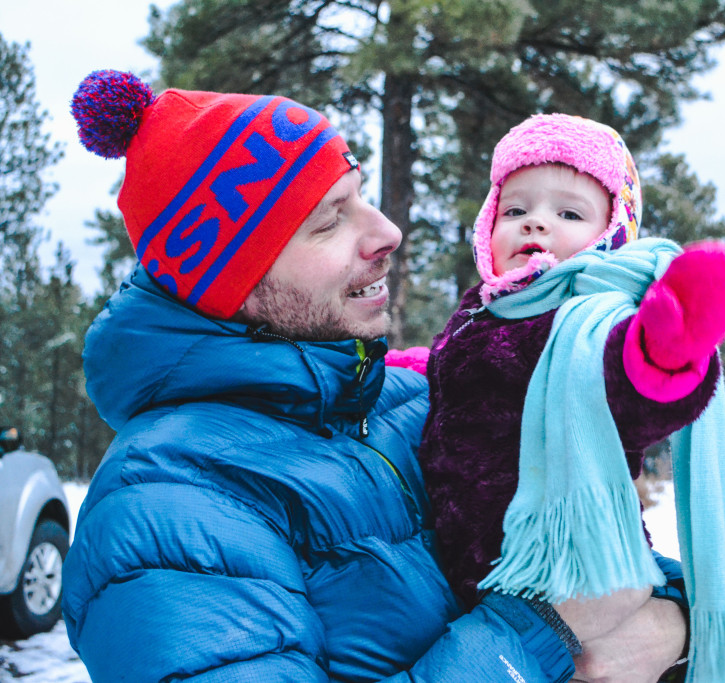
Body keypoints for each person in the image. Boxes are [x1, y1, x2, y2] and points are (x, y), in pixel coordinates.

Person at [62, 71, 690, 682]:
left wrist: (677, 623)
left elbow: (616, 571)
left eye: (360, 194)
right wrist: (536, 638)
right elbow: (570, 622)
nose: (387, 231)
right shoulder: (166, 506)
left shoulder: (417, 399)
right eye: (330, 219)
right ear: (235, 284)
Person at [398, 114, 725, 681]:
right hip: (494, 587)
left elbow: (627, 395)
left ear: (610, 235)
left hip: (569, 580)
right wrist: (410, 367)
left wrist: (663, 352)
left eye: (569, 214)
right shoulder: (482, 313)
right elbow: (463, 374)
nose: (535, 224)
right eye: (515, 210)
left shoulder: (587, 327)